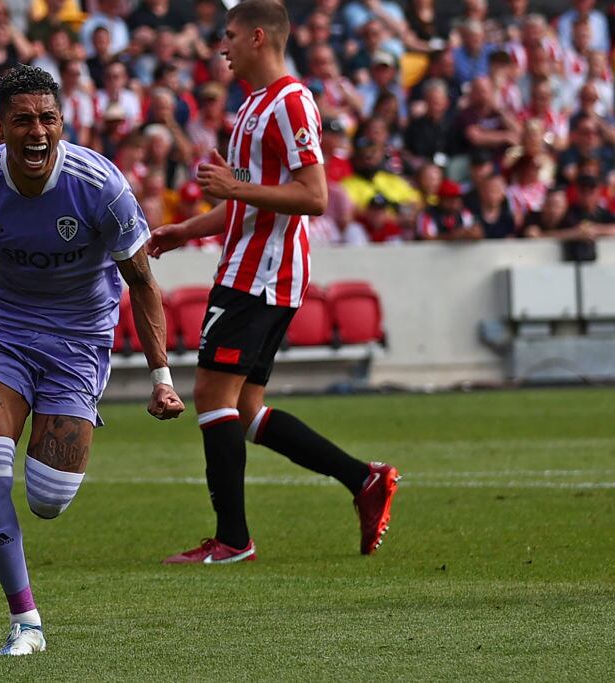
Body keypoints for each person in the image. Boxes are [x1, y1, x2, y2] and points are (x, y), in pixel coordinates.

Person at [0, 65, 184, 656]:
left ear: (62, 122)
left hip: (79, 340)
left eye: (47, 119)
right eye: (22, 119)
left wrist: (163, 379)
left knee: (48, 498)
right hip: (1, 333)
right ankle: (26, 623)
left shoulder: (101, 185)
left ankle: (64, 433)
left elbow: (143, 283)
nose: (37, 132)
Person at [147, 0, 400, 564]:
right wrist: (188, 228)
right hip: (253, 268)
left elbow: (313, 195)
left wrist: (233, 189)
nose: (223, 47)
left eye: (230, 36)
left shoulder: (289, 102)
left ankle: (233, 540)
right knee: (247, 408)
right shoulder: (254, 107)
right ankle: (364, 479)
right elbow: (251, 204)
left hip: (260, 275)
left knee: (213, 396)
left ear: (259, 37)